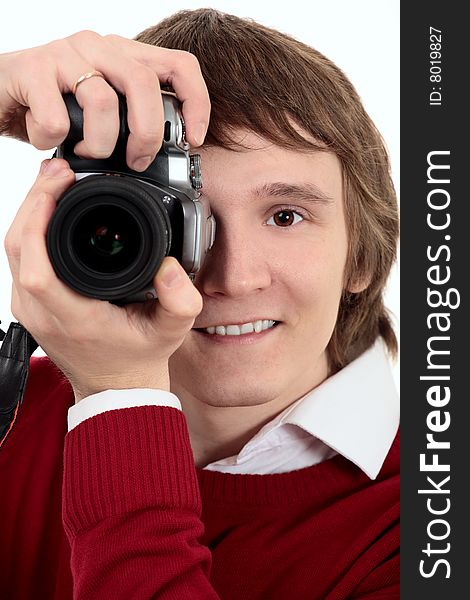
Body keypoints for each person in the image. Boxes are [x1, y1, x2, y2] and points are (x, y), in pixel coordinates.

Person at [0, 8, 399, 599]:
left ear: (362, 255)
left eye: (285, 216)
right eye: (183, 218)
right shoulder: (13, 411)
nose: (233, 278)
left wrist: (118, 399)